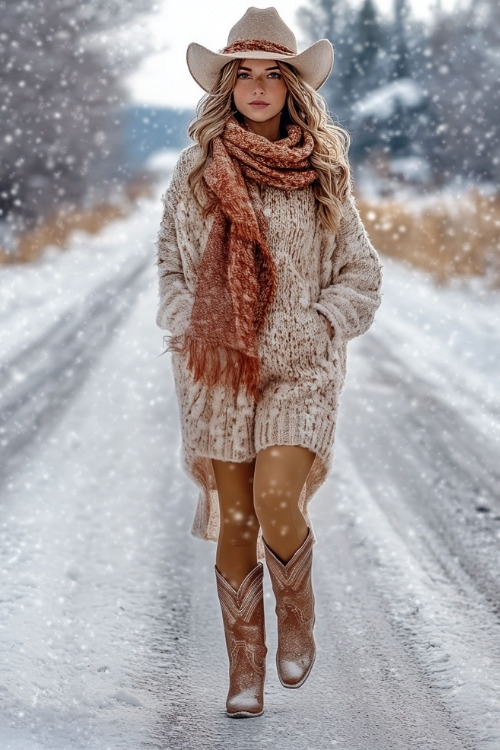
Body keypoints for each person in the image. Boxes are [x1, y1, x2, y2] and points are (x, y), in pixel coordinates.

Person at [155, 6, 382, 719]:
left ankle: (299, 613)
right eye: (243, 74)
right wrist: (190, 319)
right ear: (227, 85)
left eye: (271, 74)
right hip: (217, 371)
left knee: (277, 500)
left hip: (301, 369)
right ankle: (244, 671)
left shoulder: (322, 177)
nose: (256, 86)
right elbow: (169, 268)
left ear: (292, 87)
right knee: (236, 523)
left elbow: (361, 276)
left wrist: (321, 324)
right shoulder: (194, 174)